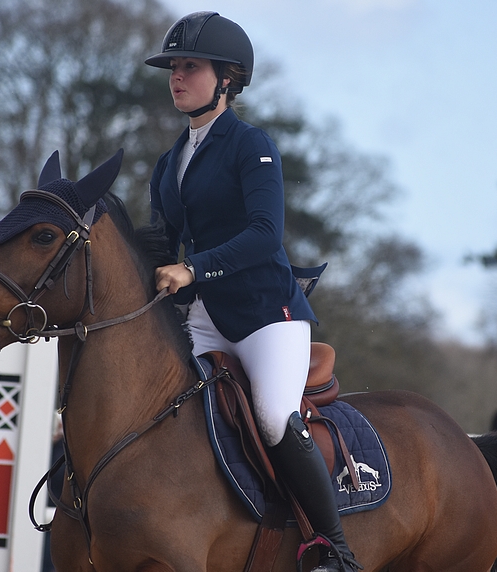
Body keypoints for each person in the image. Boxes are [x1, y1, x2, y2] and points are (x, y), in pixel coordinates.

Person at [145, 12, 359, 572]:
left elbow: (265, 235)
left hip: (268, 315)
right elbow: (159, 245)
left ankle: (332, 548)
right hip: (203, 317)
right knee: (162, 407)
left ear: (228, 79)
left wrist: (193, 270)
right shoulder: (169, 165)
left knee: (271, 417)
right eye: (173, 67)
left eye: (190, 67)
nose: (177, 76)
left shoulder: (252, 146)